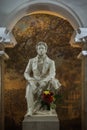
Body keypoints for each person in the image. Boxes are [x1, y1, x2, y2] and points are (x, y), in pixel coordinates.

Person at [24, 41, 61, 116]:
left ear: (46, 50)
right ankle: (30, 110)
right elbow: (26, 73)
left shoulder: (51, 62)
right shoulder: (31, 61)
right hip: (34, 81)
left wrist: (45, 81)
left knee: (51, 83)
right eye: (39, 48)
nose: (41, 50)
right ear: (37, 50)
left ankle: (47, 108)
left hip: (46, 81)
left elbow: (52, 73)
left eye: (42, 48)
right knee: (29, 89)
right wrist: (30, 80)